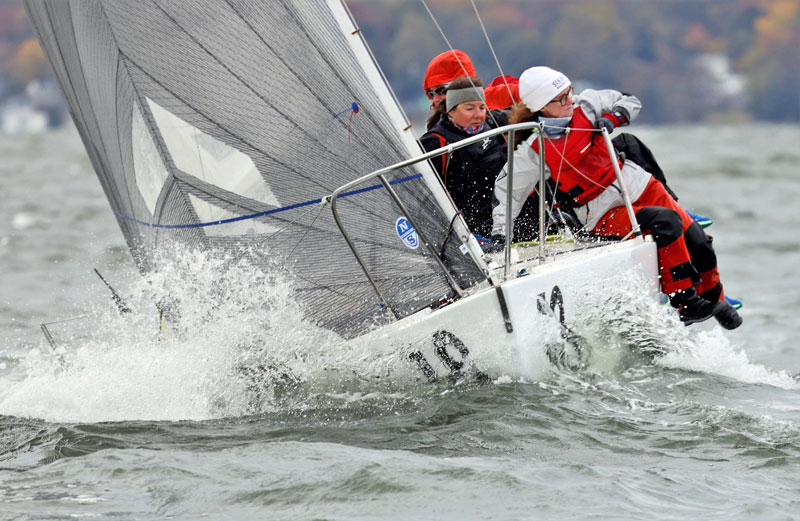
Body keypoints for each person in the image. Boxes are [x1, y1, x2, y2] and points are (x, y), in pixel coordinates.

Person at [490, 66, 741, 329]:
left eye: (569, 92)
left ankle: (716, 301)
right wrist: (500, 234)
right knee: (666, 223)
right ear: (542, 107)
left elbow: (630, 100)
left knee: (699, 241)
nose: (570, 101)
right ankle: (686, 303)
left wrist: (615, 117)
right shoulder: (534, 151)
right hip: (601, 212)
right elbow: (508, 192)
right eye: (561, 98)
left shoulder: (587, 105)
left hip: (640, 185)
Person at [419, 76, 508, 240]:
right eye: (470, 108)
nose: (479, 115)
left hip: (507, 219)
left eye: (482, 107)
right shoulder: (435, 142)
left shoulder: (494, 120)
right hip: (472, 232)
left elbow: (530, 113)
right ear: (451, 111)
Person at [423, 50, 519, 117]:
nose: (435, 100)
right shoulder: (434, 128)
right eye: (431, 94)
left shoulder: (501, 97)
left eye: (441, 90)